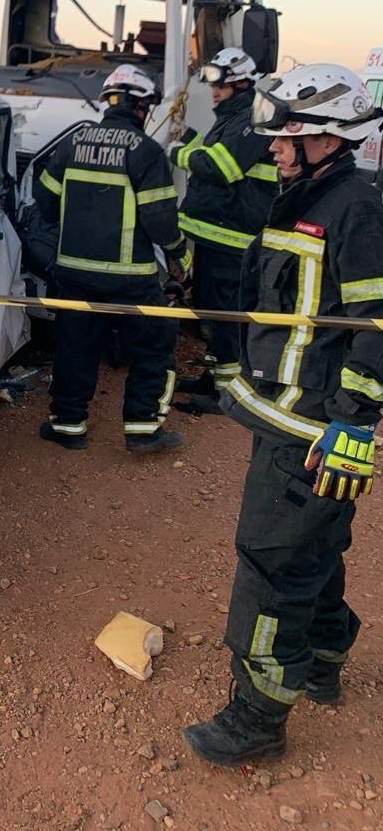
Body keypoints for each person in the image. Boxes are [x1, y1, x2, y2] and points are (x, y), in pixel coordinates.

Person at [183, 64, 383, 767]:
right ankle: (325, 655)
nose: (271, 148)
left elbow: (376, 322)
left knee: (271, 561)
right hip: (296, 418)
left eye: (285, 137)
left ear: (329, 139)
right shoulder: (309, 195)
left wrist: (354, 424)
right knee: (316, 547)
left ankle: (257, 716)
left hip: (314, 429)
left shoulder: (355, 209)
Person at [34, 64, 191, 454]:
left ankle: (68, 425)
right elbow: (160, 220)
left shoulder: (72, 144)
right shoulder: (147, 151)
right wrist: (178, 258)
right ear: (141, 107)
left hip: (73, 272)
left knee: (74, 346)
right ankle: (141, 430)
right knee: (153, 347)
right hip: (130, 278)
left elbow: (45, 203)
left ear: (108, 102)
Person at [170, 49, 278, 413]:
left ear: (242, 83)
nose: (214, 92)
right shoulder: (230, 117)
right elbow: (209, 151)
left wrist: (179, 155)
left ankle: (227, 395)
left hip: (232, 238)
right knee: (211, 314)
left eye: (221, 86)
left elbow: (223, 167)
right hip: (214, 234)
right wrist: (186, 139)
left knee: (226, 318)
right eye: (213, 86)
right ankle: (213, 378)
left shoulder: (250, 119)